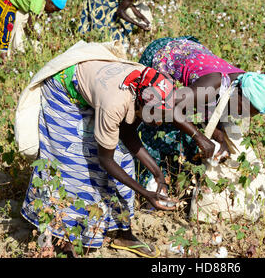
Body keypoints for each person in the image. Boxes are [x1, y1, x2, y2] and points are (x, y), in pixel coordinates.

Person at [16, 41, 214, 258]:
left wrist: (158, 174)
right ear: (142, 106)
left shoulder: (149, 87)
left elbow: (128, 137)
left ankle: (123, 233)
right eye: (155, 117)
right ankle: (60, 235)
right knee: (72, 165)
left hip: (97, 88)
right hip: (63, 92)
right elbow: (106, 160)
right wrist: (145, 193)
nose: (158, 123)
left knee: (126, 161)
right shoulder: (115, 104)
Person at [137, 36, 265, 189]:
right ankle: (149, 179)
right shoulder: (211, 86)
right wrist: (199, 136)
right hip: (163, 57)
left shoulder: (238, 81)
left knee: (189, 131)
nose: (240, 115)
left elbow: (215, 108)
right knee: (159, 126)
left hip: (189, 64)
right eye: (241, 110)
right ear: (239, 93)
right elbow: (167, 103)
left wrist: (220, 139)